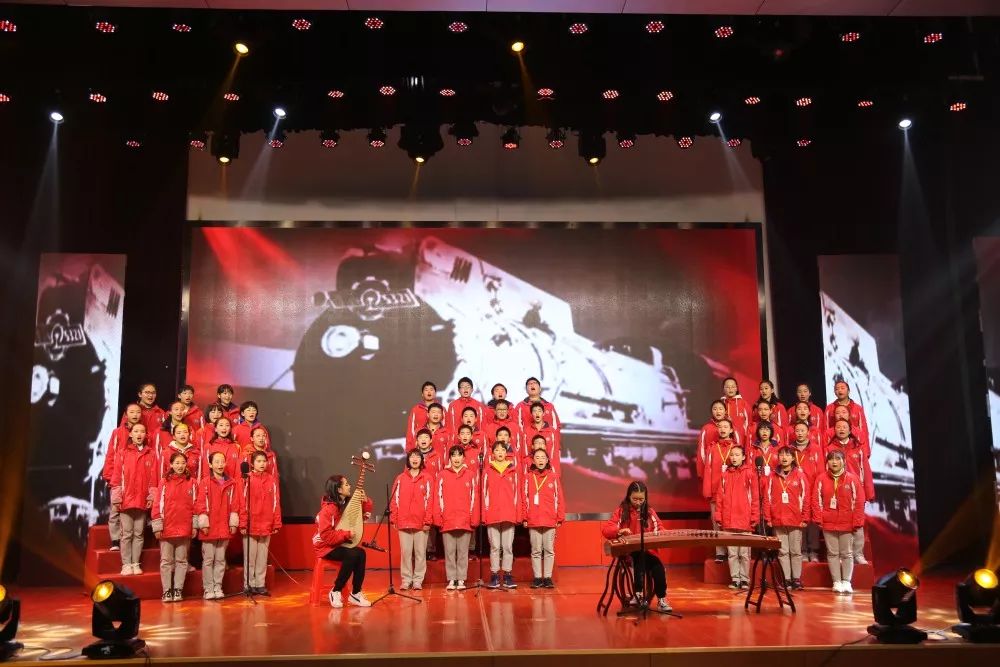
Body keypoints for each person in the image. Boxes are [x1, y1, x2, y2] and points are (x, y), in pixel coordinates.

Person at [601, 481, 671, 612]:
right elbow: (606, 529)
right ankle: (638, 594)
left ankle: (662, 599)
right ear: (629, 496)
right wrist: (619, 531)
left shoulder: (649, 512)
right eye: (635, 499)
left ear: (645, 498)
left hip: (648, 552)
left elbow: (659, 528)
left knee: (658, 568)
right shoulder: (622, 511)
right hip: (629, 554)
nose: (638, 502)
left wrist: (663, 534)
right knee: (639, 557)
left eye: (641, 499)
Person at [312, 474, 374, 608]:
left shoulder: (345, 504)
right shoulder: (328, 510)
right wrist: (346, 534)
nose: (349, 486)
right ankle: (336, 591)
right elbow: (326, 536)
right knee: (352, 555)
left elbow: (362, 515)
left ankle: (356, 593)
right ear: (339, 490)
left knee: (361, 553)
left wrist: (365, 501)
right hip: (325, 547)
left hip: (338, 543)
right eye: (346, 484)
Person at [812, 450, 865, 595]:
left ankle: (847, 581)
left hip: (847, 523)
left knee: (847, 553)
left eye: (837, 459)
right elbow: (816, 500)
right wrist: (819, 518)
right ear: (827, 462)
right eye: (831, 459)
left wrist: (857, 521)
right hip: (828, 522)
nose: (834, 462)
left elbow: (859, 501)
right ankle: (836, 581)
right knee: (832, 553)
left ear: (844, 461)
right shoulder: (821, 479)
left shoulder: (852, 479)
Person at [825, 418, 874, 565]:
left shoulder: (858, 448)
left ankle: (858, 554)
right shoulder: (829, 449)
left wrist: (869, 492)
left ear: (850, 430)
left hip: (856, 491)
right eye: (838, 427)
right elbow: (825, 471)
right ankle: (842, 554)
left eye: (844, 427)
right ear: (834, 430)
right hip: (836, 490)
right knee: (840, 524)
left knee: (857, 523)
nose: (841, 429)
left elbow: (866, 471)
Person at [110, 422, 156, 575]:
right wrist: (117, 498)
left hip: (142, 501)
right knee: (126, 534)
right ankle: (126, 564)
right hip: (126, 501)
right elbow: (117, 478)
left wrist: (151, 496)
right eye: (136, 431)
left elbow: (153, 479)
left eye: (142, 431)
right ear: (130, 434)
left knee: (138, 534)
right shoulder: (122, 453)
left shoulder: (151, 454)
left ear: (146, 435)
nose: (139, 434)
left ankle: (136, 563)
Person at [151, 452, 197, 602]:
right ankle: (166, 591)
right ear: (171, 464)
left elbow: (196, 506)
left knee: (182, 561)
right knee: (166, 561)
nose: (180, 466)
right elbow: (157, 504)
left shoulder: (192, 482)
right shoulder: (164, 482)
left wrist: (195, 525)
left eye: (183, 463)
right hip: (167, 527)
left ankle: (178, 589)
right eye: (177, 463)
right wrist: (158, 525)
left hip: (184, 527)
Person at [763, 447, 809, 590]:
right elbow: (767, 498)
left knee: (795, 551)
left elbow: (805, 498)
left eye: (787, 455)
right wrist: (768, 517)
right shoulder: (772, 476)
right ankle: (786, 579)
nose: (784, 457)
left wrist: (805, 518)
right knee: (783, 552)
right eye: (781, 455)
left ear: (793, 458)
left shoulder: (800, 475)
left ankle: (796, 579)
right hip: (778, 519)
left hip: (796, 520)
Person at [714, 444, 758, 589]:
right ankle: (735, 578)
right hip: (729, 519)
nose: (734, 458)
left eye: (737, 455)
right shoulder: (725, 475)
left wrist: (754, 517)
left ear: (743, 457)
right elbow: (719, 498)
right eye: (732, 455)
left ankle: (744, 579)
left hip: (745, 519)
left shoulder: (750, 474)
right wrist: (719, 516)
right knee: (732, 553)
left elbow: (755, 498)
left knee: (744, 553)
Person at [434, 445, 479, 591]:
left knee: (463, 552)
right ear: (450, 458)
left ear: (464, 458)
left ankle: (461, 579)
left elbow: (474, 498)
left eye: (459, 455)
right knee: (449, 552)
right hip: (448, 520)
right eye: (453, 455)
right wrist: (438, 518)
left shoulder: (470, 475)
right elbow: (438, 497)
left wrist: (474, 518)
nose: (456, 458)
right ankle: (452, 579)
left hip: (465, 520)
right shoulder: (442, 475)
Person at [197, 451, 240, 600]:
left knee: (221, 560)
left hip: (224, 527)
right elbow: (200, 503)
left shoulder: (232, 483)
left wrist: (233, 521)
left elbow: (235, 504)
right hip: (209, 528)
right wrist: (204, 523)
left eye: (222, 461)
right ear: (210, 464)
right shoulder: (205, 482)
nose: (220, 464)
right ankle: (208, 588)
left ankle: (217, 587)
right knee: (208, 560)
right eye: (216, 462)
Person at [389, 449, 434, 591]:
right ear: (408, 460)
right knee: (406, 553)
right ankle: (406, 580)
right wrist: (394, 518)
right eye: (412, 457)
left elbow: (430, 501)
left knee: (420, 553)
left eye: (417, 457)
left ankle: (418, 580)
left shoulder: (427, 478)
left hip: (421, 523)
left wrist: (427, 521)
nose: (415, 459)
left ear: (421, 460)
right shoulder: (400, 478)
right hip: (403, 522)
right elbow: (394, 500)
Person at [240, 451, 282, 596]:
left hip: (266, 523)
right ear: (252, 463)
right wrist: (243, 523)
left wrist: (276, 523)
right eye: (258, 461)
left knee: (262, 557)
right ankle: (249, 584)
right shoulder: (247, 479)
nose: (262, 464)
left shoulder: (271, 480)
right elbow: (242, 502)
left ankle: (260, 584)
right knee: (250, 557)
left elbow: (276, 502)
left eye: (264, 461)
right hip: (251, 524)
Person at [522, 448, 564, 589]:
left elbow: (559, 498)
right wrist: (525, 517)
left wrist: (559, 517)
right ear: (533, 461)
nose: (540, 460)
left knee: (549, 550)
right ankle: (537, 577)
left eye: (543, 457)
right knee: (536, 550)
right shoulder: (528, 477)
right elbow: (524, 498)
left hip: (550, 519)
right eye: (537, 457)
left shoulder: (553, 477)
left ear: (547, 460)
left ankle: (547, 577)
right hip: (533, 519)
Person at [103, 403, 142, 552]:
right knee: (115, 509)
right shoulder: (118, 432)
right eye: (132, 412)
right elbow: (110, 454)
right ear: (126, 414)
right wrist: (109, 475)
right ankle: (115, 540)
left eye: (138, 412)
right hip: (118, 477)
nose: (135, 415)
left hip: (135, 478)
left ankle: (128, 540)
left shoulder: (142, 431)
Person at [482, 441, 520, 589]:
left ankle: (508, 575)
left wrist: (517, 514)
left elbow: (517, 494)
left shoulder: (513, 470)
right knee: (495, 547)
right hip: (492, 515)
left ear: (506, 453)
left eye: (502, 450)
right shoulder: (487, 471)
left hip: (509, 514)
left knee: (508, 547)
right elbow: (483, 494)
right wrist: (484, 515)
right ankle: (495, 576)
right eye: (497, 450)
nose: (500, 452)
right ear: (492, 453)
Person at [701, 418, 739, 563]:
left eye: (726, 427)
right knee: (716, 522)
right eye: (720, 427)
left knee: (731, 521)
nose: (722, 429)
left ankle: (732, 551)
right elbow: (708, 469)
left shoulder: (736, 448)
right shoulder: (712, 448)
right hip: (715, 491)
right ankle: (720, 552)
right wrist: (708, 491)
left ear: (731, 430)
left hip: (732, 491)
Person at [789, 420, 824, 561]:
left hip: (813, 488)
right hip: (796, 491)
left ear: (808, 433)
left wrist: (819, 488)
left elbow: (821, 470)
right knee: (800, 520)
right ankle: (802, 550)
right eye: (797, 431)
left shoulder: (816, 449)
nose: (800, 433)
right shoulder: (790, 449)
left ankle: (813, 551)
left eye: (802, 430)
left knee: (813, 521)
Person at [824, 381, 870, 456]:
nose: (840, 390)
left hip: (854, 448)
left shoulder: (857, 408)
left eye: (842, 388)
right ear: (834, 392)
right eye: (837, 389)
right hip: (835, 448)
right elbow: (825, 429)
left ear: (848, 391)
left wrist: (866, 452)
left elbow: (863, 430)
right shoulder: (829, 408)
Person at [697, 400, 737, 480]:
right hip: (712, 469)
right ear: (711, 412)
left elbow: (738, 448)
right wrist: (703, 472)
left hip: (730, 470)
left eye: (720, 409)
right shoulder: (706, 428)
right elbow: (701, 452)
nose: (718, 411)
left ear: (725, 411)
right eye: (715, 409)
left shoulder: (732, 427)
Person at [522, 402, 561, 473]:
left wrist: (555, 473)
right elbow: (524, 454)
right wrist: (530, 468)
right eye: (534, 411)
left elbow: (555, 454)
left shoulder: (551, 431)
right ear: (531, 414)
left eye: (539, 411)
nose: (537, 413)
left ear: (543, 413)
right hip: (532, 472)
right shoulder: (526, 431)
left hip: (549, 471)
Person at [405, 381, 439, 450]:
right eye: (426, 390)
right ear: (422, 394)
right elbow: (411, 431)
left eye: (431, 389)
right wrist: (409, 448)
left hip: (438, 445)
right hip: (420, 447)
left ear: (435, 393)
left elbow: (446, 428)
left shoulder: (442, 409)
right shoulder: (415, 409)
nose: (429, 392)